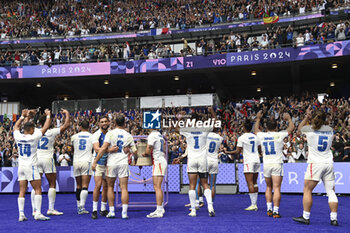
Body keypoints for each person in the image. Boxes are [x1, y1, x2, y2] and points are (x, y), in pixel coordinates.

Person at [293, 108, 339, 226]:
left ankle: (306, 216)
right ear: (325, 119)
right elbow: (325, 125)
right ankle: (334, 218)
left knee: (307, 190)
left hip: (315, 163)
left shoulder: (309, 130)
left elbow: (299, 128)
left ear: (314, 118)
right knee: (331, 191)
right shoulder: (330, 130)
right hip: (328, 163)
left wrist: (306, 117)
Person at [92, 113, 137, 219]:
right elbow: (135, 152)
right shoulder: (128, 135)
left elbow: (103, 149)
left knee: (110, 187)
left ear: (115, 123)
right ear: (125, 123)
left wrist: (95, 161)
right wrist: (129, 150)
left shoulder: (110, 134)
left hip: (111, 163)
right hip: (123, 163)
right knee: (124, 188)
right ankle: (124, 213)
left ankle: (112, 211)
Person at [254, 111, 294, 218]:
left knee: (268, 187)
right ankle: (276, 211)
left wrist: (258, 118)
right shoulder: (279, 135)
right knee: (276, 188)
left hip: (266, 164)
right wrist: (289, 119)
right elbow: (291, 128)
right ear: (276, 127)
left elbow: (256, 130)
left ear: (266, 128)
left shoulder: (262, 135)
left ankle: (269, 209)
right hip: (277, 164)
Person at [14, 109, 51, 221]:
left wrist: (22, 116)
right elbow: (45, 127)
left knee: (22, 190)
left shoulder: (18, 136)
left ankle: (21, 214)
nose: (35, 130)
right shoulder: (33, 137)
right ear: (30, 130)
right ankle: (38, 213)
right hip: (31, 166)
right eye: (33, 129)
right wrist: (48, 116)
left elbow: (15, 127)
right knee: (38, 188)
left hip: (21, 166)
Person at [31, 109, 70, 216]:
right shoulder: (52, 132)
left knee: (36, 186)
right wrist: (66, 113)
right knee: (52, 184)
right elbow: (66, 125)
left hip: (36, 158)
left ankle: (35, 210)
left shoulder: (34, 131)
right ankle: (51, 209)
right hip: (48, 159)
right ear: (49, 122)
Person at [179, 107, 216, 217]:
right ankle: (210, 206)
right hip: (202, 160)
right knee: (205, 184)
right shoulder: (205, 130)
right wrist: (212, 112)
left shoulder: (188, 131)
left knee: (192, 185)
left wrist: (180, 117)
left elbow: (175, 128)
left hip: (192, 160)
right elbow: (214, 122)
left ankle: (194, 210)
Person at [226, 119, 261, 211]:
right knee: (255, 182)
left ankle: (253, 204)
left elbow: (237, 151)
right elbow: (260, 150)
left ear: (244, 127)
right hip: (257, 160)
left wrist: (228, 152)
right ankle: (255, 203)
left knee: (249, 182)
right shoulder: (256, 137)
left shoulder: (242, 138)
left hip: (249, 161)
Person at [91, 116, 118, 219]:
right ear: (99, 124)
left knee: (106, 186)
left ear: (109, 122)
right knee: (98, 185)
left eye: (106, 121)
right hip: (98, 163)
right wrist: (110, 150)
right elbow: (97, 149)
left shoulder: (112, 134)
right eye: (102, 122)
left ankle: (103, 209)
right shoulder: (96, 135)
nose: (104, 123)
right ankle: (94, 210)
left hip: (109, 163)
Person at [143, 128, 167, 218]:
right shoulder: (160, 136)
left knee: (157, 187)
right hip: (160, 160)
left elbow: (148, 150)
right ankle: (160, 208)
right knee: (158, 186)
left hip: (158, 162)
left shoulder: (152, 135)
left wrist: (144, 154)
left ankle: (159, 210)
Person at [71, 120, 93, 214]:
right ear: (89, 127)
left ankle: (78, 206)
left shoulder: (74, 137)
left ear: (80, 127)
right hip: (86, 161)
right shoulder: (92, 136)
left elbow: (72, 149)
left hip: (76, 161)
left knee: (78, 185)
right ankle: (82, 207)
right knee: (85, 186)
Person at [205, 129, 223, 205]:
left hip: (205, 160)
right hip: (214, 161)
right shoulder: (220, 138)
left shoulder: (206, 135)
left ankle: (198, 202)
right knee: (212, 185)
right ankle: (211, 204)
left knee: (200, 183)